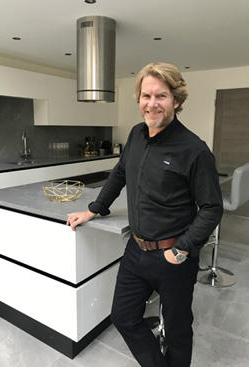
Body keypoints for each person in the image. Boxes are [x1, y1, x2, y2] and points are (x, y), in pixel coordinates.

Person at [67, 62, 223, 367]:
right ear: (139, 99)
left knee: (177, 330)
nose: (152, 104)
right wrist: (93, 209)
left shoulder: (194, 150)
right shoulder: (137, 135)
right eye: (146, 96)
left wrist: (181, 249)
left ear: (176, 101)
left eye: (161, 96)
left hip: (174, 256)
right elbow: (120, 172)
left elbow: (211, 208)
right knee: (123, 318)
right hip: (135, 251)